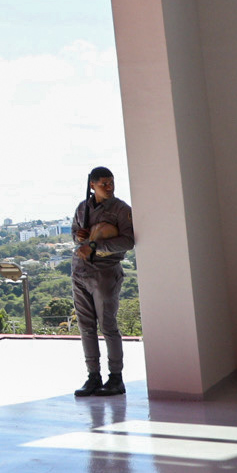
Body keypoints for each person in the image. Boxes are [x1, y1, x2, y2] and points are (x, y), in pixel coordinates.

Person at [72, 165, 135, 397]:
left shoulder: (121, 209)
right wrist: (78, 236)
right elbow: (74, 234)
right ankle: (93, 376)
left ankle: (116, 378)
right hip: (80, 271)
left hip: (105, 272)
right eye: (104, 184)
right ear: (92, 185)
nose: (109, 187)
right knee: (86, 327)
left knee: (108, 326)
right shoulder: (82, 208)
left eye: (111, 183)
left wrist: (95, 245)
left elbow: (128, 241)